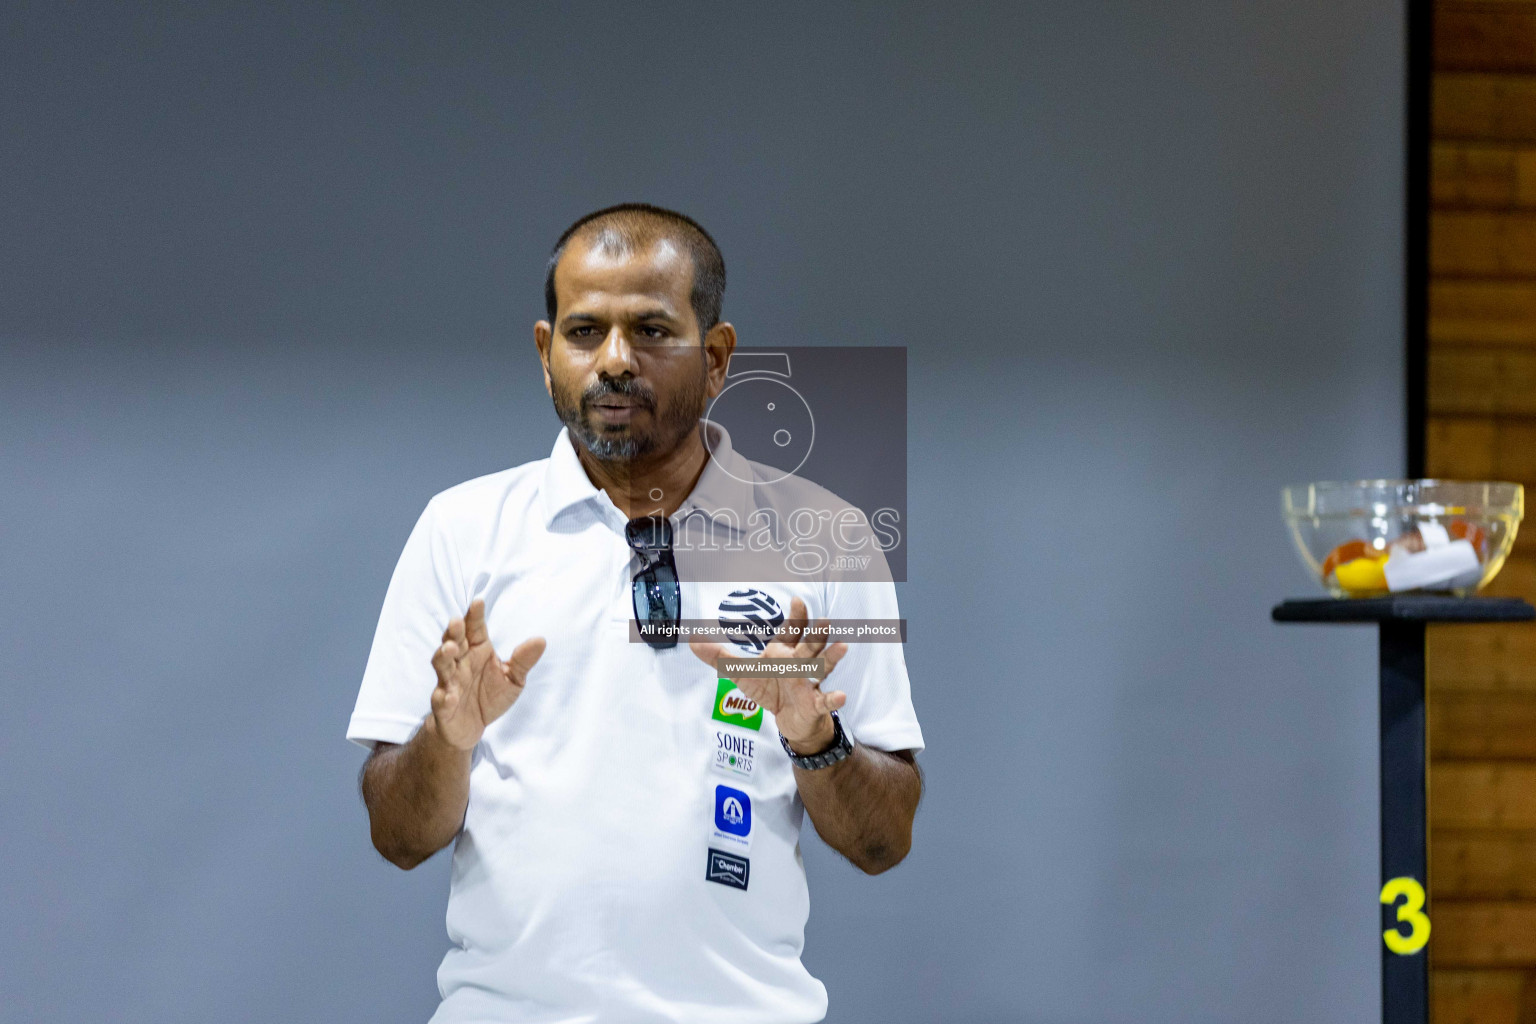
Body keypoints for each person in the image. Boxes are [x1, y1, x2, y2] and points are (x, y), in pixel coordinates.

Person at [347, 203, 924, 1024]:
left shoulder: (825, 538)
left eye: (652, 331)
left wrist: (815, 740)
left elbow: (883, 842)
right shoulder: (460, 529)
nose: (615, 361)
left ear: (717, 358)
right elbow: (398, 838)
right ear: (546, 355)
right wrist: (448, 739)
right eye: (584, 333)